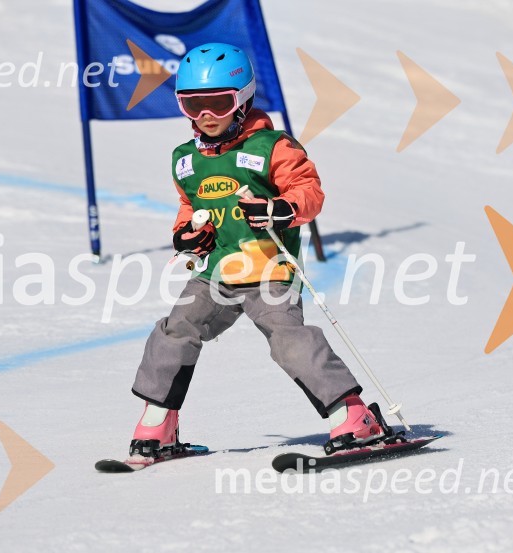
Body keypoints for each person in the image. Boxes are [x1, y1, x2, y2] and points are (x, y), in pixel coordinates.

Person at [128, 43, 386, 460]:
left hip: (268, 269)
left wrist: (280, 208)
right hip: (215, 272)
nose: (205, 116)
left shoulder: (272, 147)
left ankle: (354, 417)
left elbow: (309, 192)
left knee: (289, 340)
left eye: (217, 103)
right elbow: (190, 208)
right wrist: (185, 236)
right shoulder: (185, 160)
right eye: (191, 105)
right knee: (175, 331)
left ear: (243, 99)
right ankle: (157, 425)